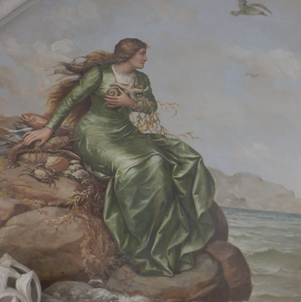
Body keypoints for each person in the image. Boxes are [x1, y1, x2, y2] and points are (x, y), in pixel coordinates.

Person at [24, 38, 216, 276]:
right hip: (94, 135)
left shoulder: (142, 79)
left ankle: (163, 239)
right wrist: (48, 129)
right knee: (132, 167)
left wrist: (131, 102)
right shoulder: (99, 75)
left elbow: (150, 107)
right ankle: (139, 243)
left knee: (166, 158)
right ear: (128, 55)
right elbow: (70, 101)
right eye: (142, 54)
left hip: (125, 133)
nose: (145, 59)